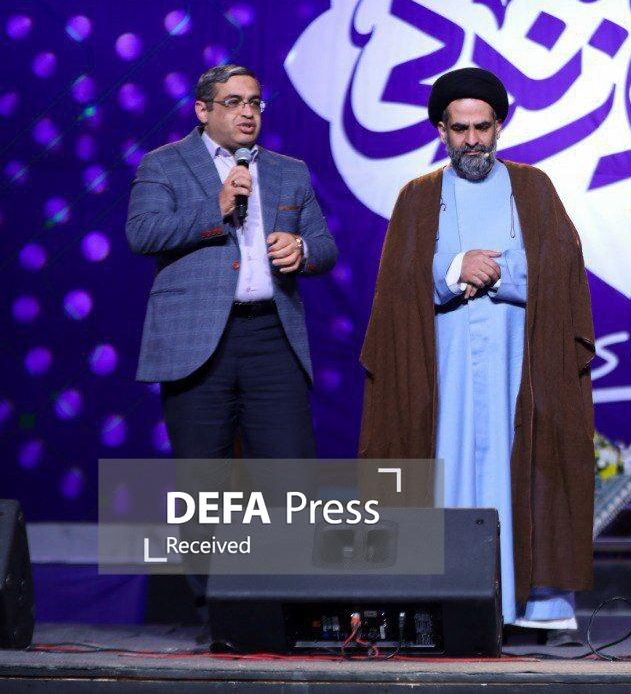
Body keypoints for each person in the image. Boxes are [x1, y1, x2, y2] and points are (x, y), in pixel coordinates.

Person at [358, 67, 595, 632]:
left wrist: (495, 272)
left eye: (482, 128)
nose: (472, 141)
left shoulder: (533, 188)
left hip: (521, 367)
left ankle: (531, 609)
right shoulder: (418, 196)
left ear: (499, 126)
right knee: (446, 469)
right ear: (441, 131)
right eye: (460, 129)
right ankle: (444, 603)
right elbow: (396, 287)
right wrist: (451, 271)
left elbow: (563, 269)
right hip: (443, 372)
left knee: (525, 469)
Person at [127, 63, 337, 461]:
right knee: (205, 482)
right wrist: (217, 208)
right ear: (202, 110)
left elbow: (325, 247)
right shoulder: (164, 163)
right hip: (197, 341)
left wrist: (301, 249)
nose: (247, 112)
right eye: (234, 102)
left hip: (272, 338)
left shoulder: (289, 171)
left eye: (255, 103)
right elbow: (143, 233)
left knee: (289, 475)